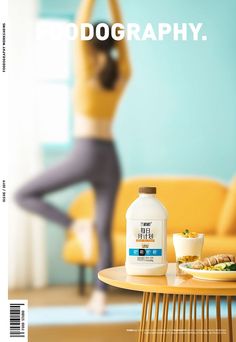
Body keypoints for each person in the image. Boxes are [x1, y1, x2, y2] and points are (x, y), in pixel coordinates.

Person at [15, 0, 131, 314]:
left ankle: (75, 226)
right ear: (114, 43)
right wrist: (114, 5)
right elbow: (122, 40)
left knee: (24, 194)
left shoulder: (86, 70)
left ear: (91, 45)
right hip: (110, 157)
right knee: (104, 232)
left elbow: (81, 26)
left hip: (86, 152)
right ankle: (100, 297)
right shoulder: (121, 74)